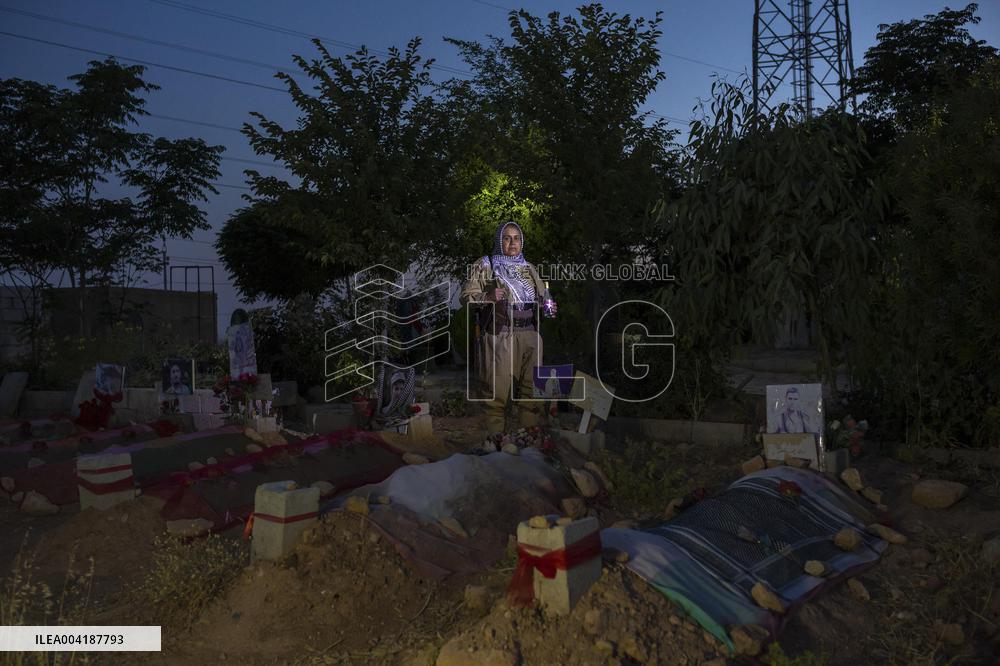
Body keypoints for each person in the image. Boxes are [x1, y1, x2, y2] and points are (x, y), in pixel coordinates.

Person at [461, 221, 556, 434]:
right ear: (499, 241)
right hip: (501, 334)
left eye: (517, 238)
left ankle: (528, 446)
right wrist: (487, 296)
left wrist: (548, 305)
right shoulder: (487, 264)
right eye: (507, 238)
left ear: (522, 242)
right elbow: (465, 297)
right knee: (496, 395)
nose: (512, 243)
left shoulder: (529, 268)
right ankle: (495, 448)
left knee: (532, 395)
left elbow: (544, 298)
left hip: (530, 334)